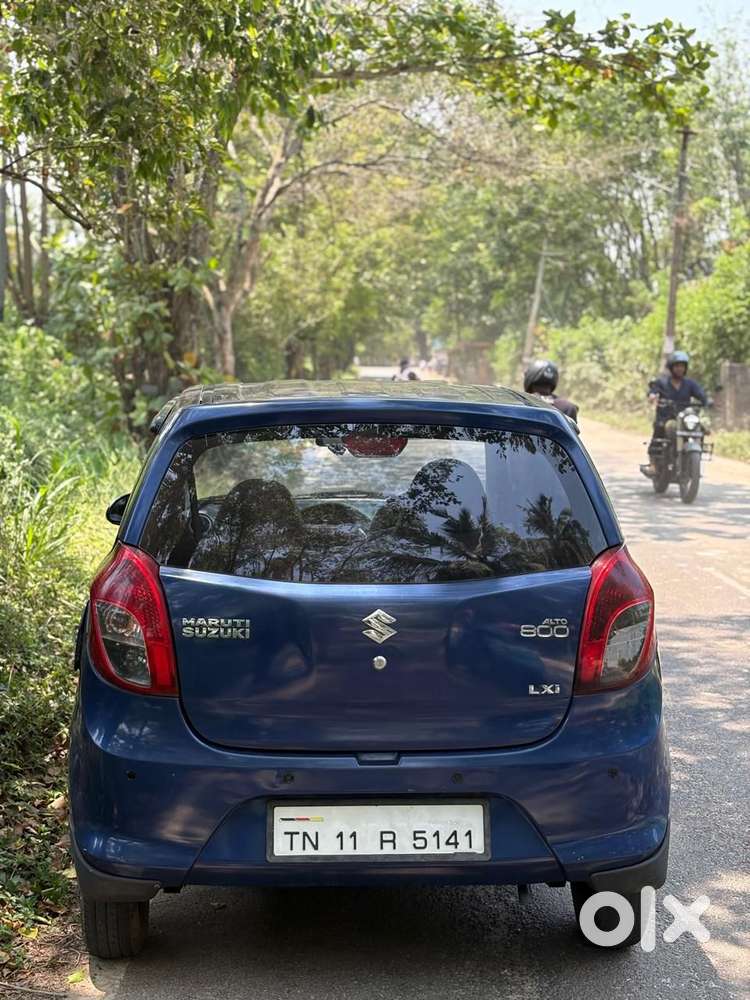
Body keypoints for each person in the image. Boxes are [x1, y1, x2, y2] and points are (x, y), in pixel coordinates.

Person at [645, 350, 708, 470]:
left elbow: (701, 394)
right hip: (666, 417)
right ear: (671, 367)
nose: (680, 369)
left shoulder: (690, 384)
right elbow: (653, 391)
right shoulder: (662, 382)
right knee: (660, 430)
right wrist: (652, 396)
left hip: (684, 419)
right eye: (677, 366)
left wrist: (708, 401)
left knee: (701, 429)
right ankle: (653, 462)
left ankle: (694, 458)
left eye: (682, 366)